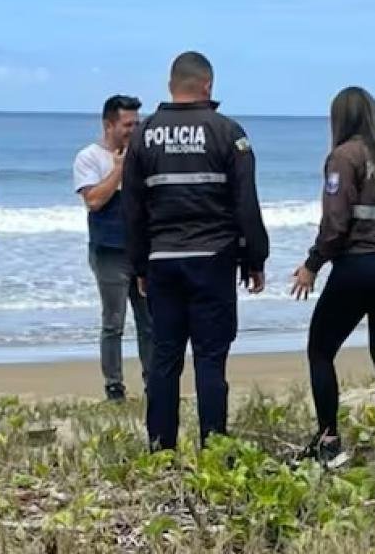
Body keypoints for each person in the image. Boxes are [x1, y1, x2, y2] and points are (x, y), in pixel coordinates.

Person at [122, 52, 269, 450]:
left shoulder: (143, 134)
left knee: (164, 359)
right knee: (210, 358)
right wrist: (255, 258)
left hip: (162, 262)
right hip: (213, 259)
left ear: (172, 85)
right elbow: (245, 202)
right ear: (207, 85)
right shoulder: (227, 132)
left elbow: (132, 209)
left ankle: (161, 448)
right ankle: (215, 447)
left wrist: (138, 264)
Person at [291, 87, 375, 467]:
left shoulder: (344, 157)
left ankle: (329, 442)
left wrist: (312, 265)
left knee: (320, 350)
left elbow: (335, 224)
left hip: (359, 267)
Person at [74, 94, 154, 403]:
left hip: (142, 251)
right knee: (114, 322)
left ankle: (153, 381)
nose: (133, 130)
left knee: (150, 322)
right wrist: (120, 168)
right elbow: (94, 201)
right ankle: (114, 385)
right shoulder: (89, 158)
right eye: (127, 124)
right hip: (109, 250)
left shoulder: (145, 155)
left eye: (137, 123)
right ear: (109, 124)